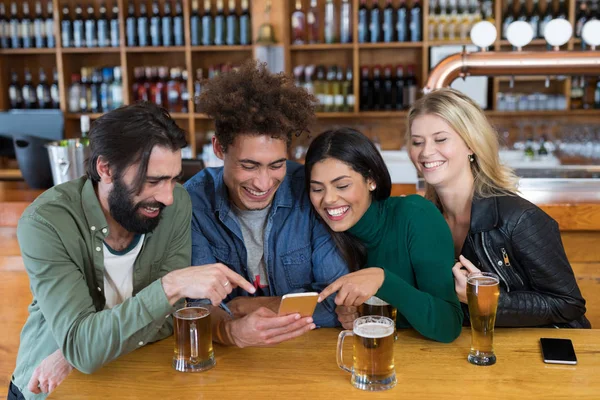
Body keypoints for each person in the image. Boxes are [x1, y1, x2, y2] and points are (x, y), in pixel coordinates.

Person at [8, 103, 255, 400]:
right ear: (106, 169)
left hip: (130, 377)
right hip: (50, 389)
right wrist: (171, 285)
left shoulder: (175, 205)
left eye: (174, 178)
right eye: (153, 181)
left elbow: (168, 321)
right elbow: (85, 348)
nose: (168, 197)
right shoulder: (47, 222)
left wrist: (73, 352)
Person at [184, 60, 349, 348]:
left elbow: (337, 299)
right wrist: (230, 332)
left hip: (309, 354)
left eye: (276, 165)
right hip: (230, 366)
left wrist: (240, 308)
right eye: (249, 166)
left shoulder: (309, 190)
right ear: (219, 149)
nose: (263, 183)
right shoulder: (193, 203)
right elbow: (196, 308)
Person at [406, 88, 590, 328]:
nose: (426, 152)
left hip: (536, 353)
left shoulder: (519, 218)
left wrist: (488, 299)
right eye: (417, 142)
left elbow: (568, 303)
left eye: (440, 139)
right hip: (467, 348)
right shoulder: (423, 218)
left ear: (471, 144)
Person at [305, 128, 463, 343]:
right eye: (317, 189)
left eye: (342, 185)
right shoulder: (325, 235)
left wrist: (383, 280)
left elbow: (449, 325)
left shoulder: (415, 215)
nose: (329, 199)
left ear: (371, 180)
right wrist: (352, 315)